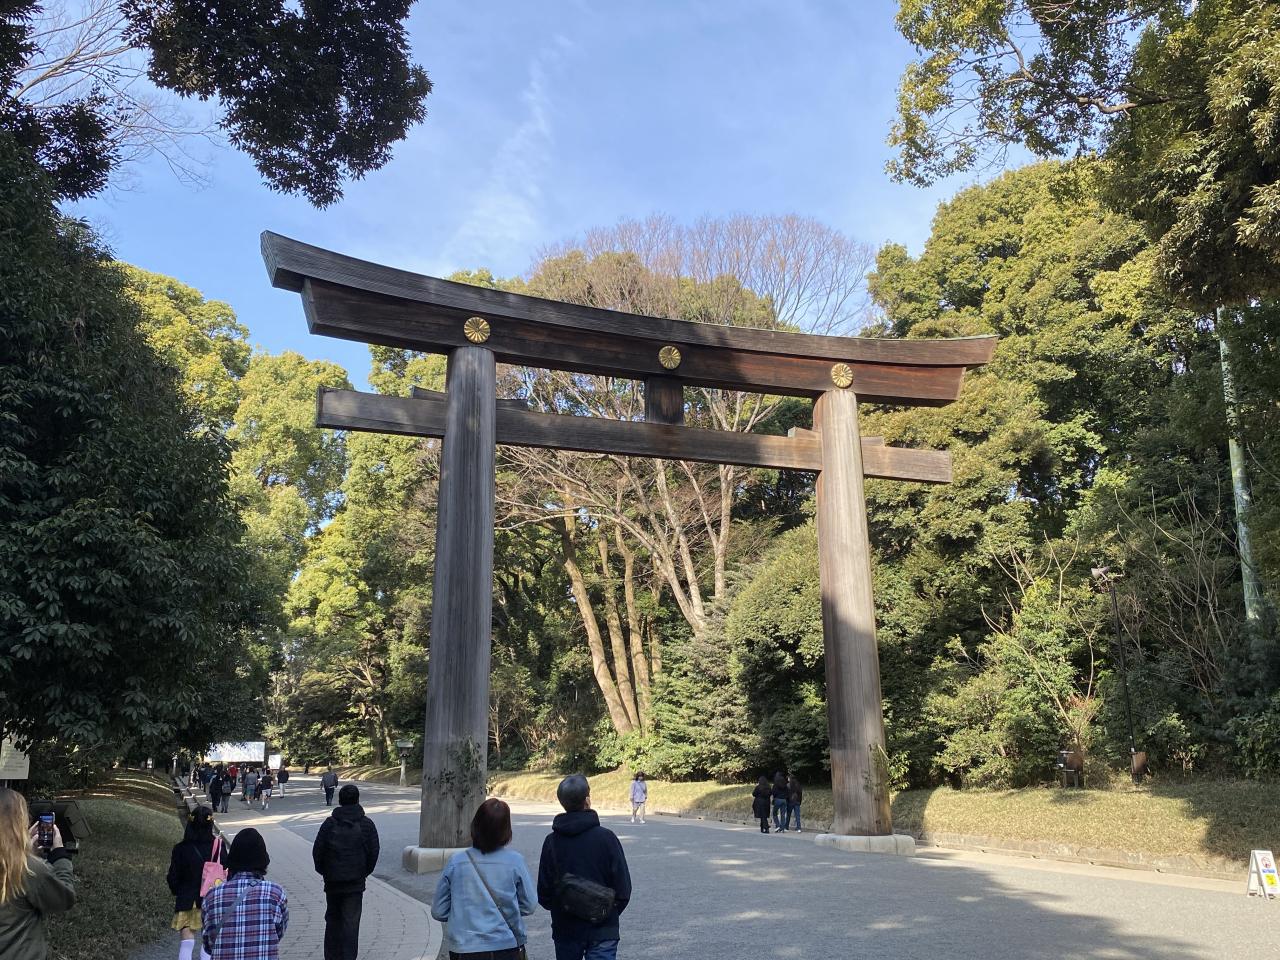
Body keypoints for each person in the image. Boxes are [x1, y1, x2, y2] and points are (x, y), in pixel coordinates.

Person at [537, 774, 631, 960]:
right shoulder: (607, 838)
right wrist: (606, 910)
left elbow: (544, 894)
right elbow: (623, 888)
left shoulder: (552, 841)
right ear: (587, 800)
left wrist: (565, 906)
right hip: (603, 929)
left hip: (566, 927)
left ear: (562, 802)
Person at [432, 798, 536, 960]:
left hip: (464, 948)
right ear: (506, 830)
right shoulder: (515, 861)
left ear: (475, 825)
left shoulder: (456, 862)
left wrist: (462, 914)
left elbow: (438, 911)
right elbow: (529, 905)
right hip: (505, 946)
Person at [0, 789, 76, 960]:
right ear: (17, 821)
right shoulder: (27, 868)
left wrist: (25, 851)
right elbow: (64, 899)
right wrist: (60, 854)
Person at [312, 784, 380, 960]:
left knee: (333, 920)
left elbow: (317, 851)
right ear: (357, 800)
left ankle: (332, 956)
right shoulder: (366, 824)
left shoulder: (329, 824)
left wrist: (325, 872)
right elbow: (373, 852)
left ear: (340, 800)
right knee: (351, 923)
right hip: (355, 882)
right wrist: (364, 872)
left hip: (332, 881)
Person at [202, 828, 288, 960]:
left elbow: (208, 944)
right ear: (263, 860)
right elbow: (278, 933)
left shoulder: (212, 896)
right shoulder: (275, 893)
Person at [166, 805, 227, 960]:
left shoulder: (180, 848)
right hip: (212, 899)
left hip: (187, 899)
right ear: (210, 823)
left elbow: (173, 877)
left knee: (186, 942)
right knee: (209, 942)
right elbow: (226, 870)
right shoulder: (218, 846)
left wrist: (179, 891)